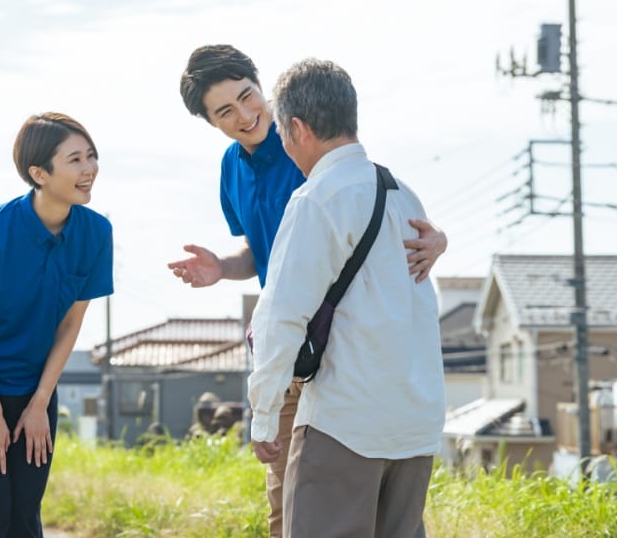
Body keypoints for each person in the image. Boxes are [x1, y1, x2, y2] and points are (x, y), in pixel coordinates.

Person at [168, 44, 447, 538]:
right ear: (212, 124)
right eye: (224, 112)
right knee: (291, 504)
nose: (245, 115)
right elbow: (269, 256)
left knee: (307, 510)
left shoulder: (310, 152)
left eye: (247, 97)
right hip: (321, 364)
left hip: (328, 357)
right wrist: (222, 268)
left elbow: (354, 235)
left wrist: (440, 240)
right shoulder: (234, 169)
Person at [248, 58, 446, 538]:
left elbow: (283, 314)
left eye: (281, 131)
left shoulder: (317, 198)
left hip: (345, 423)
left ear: (298, 128)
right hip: (413, 423)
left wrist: (264, 413)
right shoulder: (402, 193)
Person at [0, 112, 113, 537]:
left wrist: (40, 403)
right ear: (39, 173)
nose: (88, 169)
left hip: (34, 385)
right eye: (74, 159)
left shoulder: (97, 232)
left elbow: (71, 325)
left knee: (25, 516)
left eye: (91, 156)